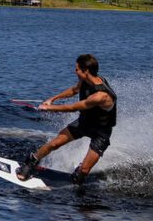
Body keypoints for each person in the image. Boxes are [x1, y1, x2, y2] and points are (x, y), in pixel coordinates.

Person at [17, 53, 117, 186]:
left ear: (85, 71)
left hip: (101, 132)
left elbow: (72, 107)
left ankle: (79, 172)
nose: (74, 71)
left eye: (77, 69)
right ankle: (31, 162)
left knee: (84, 171)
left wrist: (48, 108)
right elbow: (74, 90)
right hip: (84, 122)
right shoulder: (86, 80)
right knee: (54, 144)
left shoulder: (101, 96)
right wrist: (52, 99)